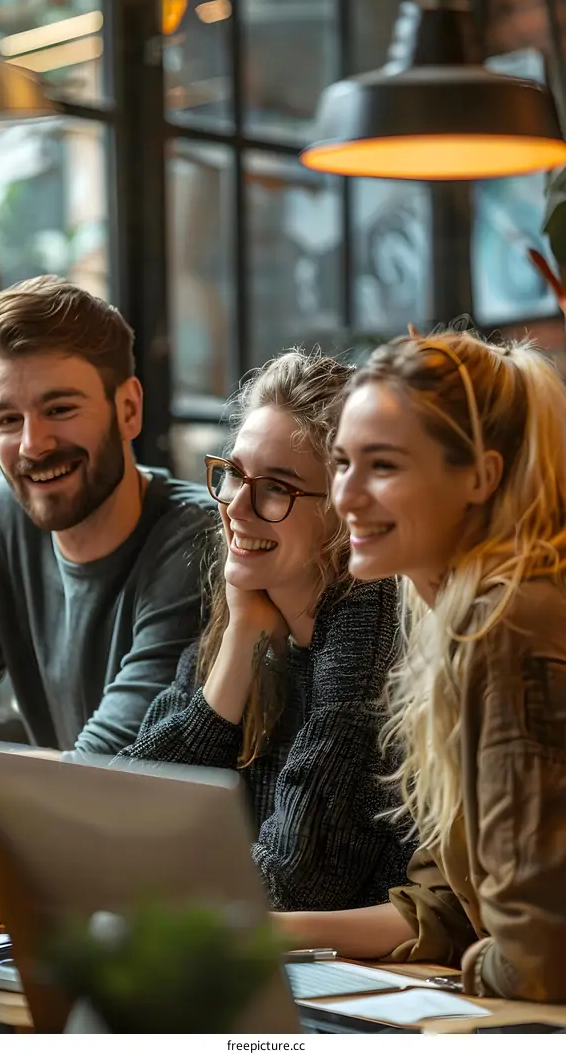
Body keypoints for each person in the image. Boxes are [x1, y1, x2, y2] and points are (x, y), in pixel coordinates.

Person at [275, 330, 566, 1003]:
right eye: (342, 463)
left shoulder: (508, 620)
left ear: (480, 477)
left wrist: (481, 963)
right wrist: (259, 934)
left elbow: (539, 956)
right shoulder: (462, 615)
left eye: (384, 466)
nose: (346, 496)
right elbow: (448, 907)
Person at [115, 349, 413, 912]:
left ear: (346, 510)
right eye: (232, 475)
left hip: (379, 987)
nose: (237, 507)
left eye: (276, 487)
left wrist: (153, 877)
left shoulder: (370, 640)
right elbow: (119, 816)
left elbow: (295, 882)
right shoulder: (244, 615)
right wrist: (237, 653)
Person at [0, 276, 215, 757]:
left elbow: (104, 773)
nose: (32, 445)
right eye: (8, 420)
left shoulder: (196, 542)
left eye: (59, 408)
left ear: (128, 409)